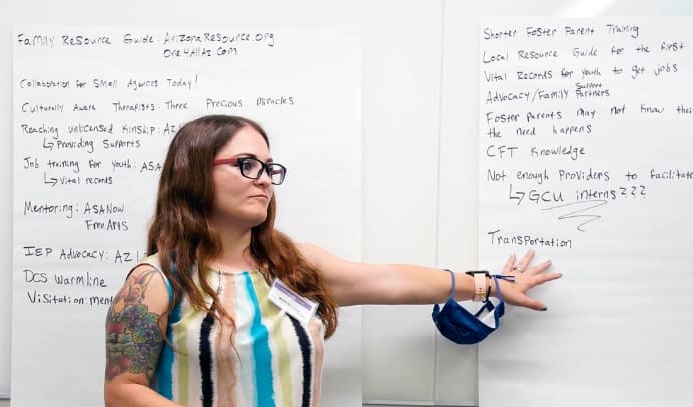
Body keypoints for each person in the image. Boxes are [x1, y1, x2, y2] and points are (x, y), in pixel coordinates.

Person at [104, 114, 561, 407]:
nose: (264, 180)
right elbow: (122, 393)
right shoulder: (156, 279)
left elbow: (389, 281)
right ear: (195, 172)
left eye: (269, 168)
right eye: (247, 164)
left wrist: (490, 286)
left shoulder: (290, 266)